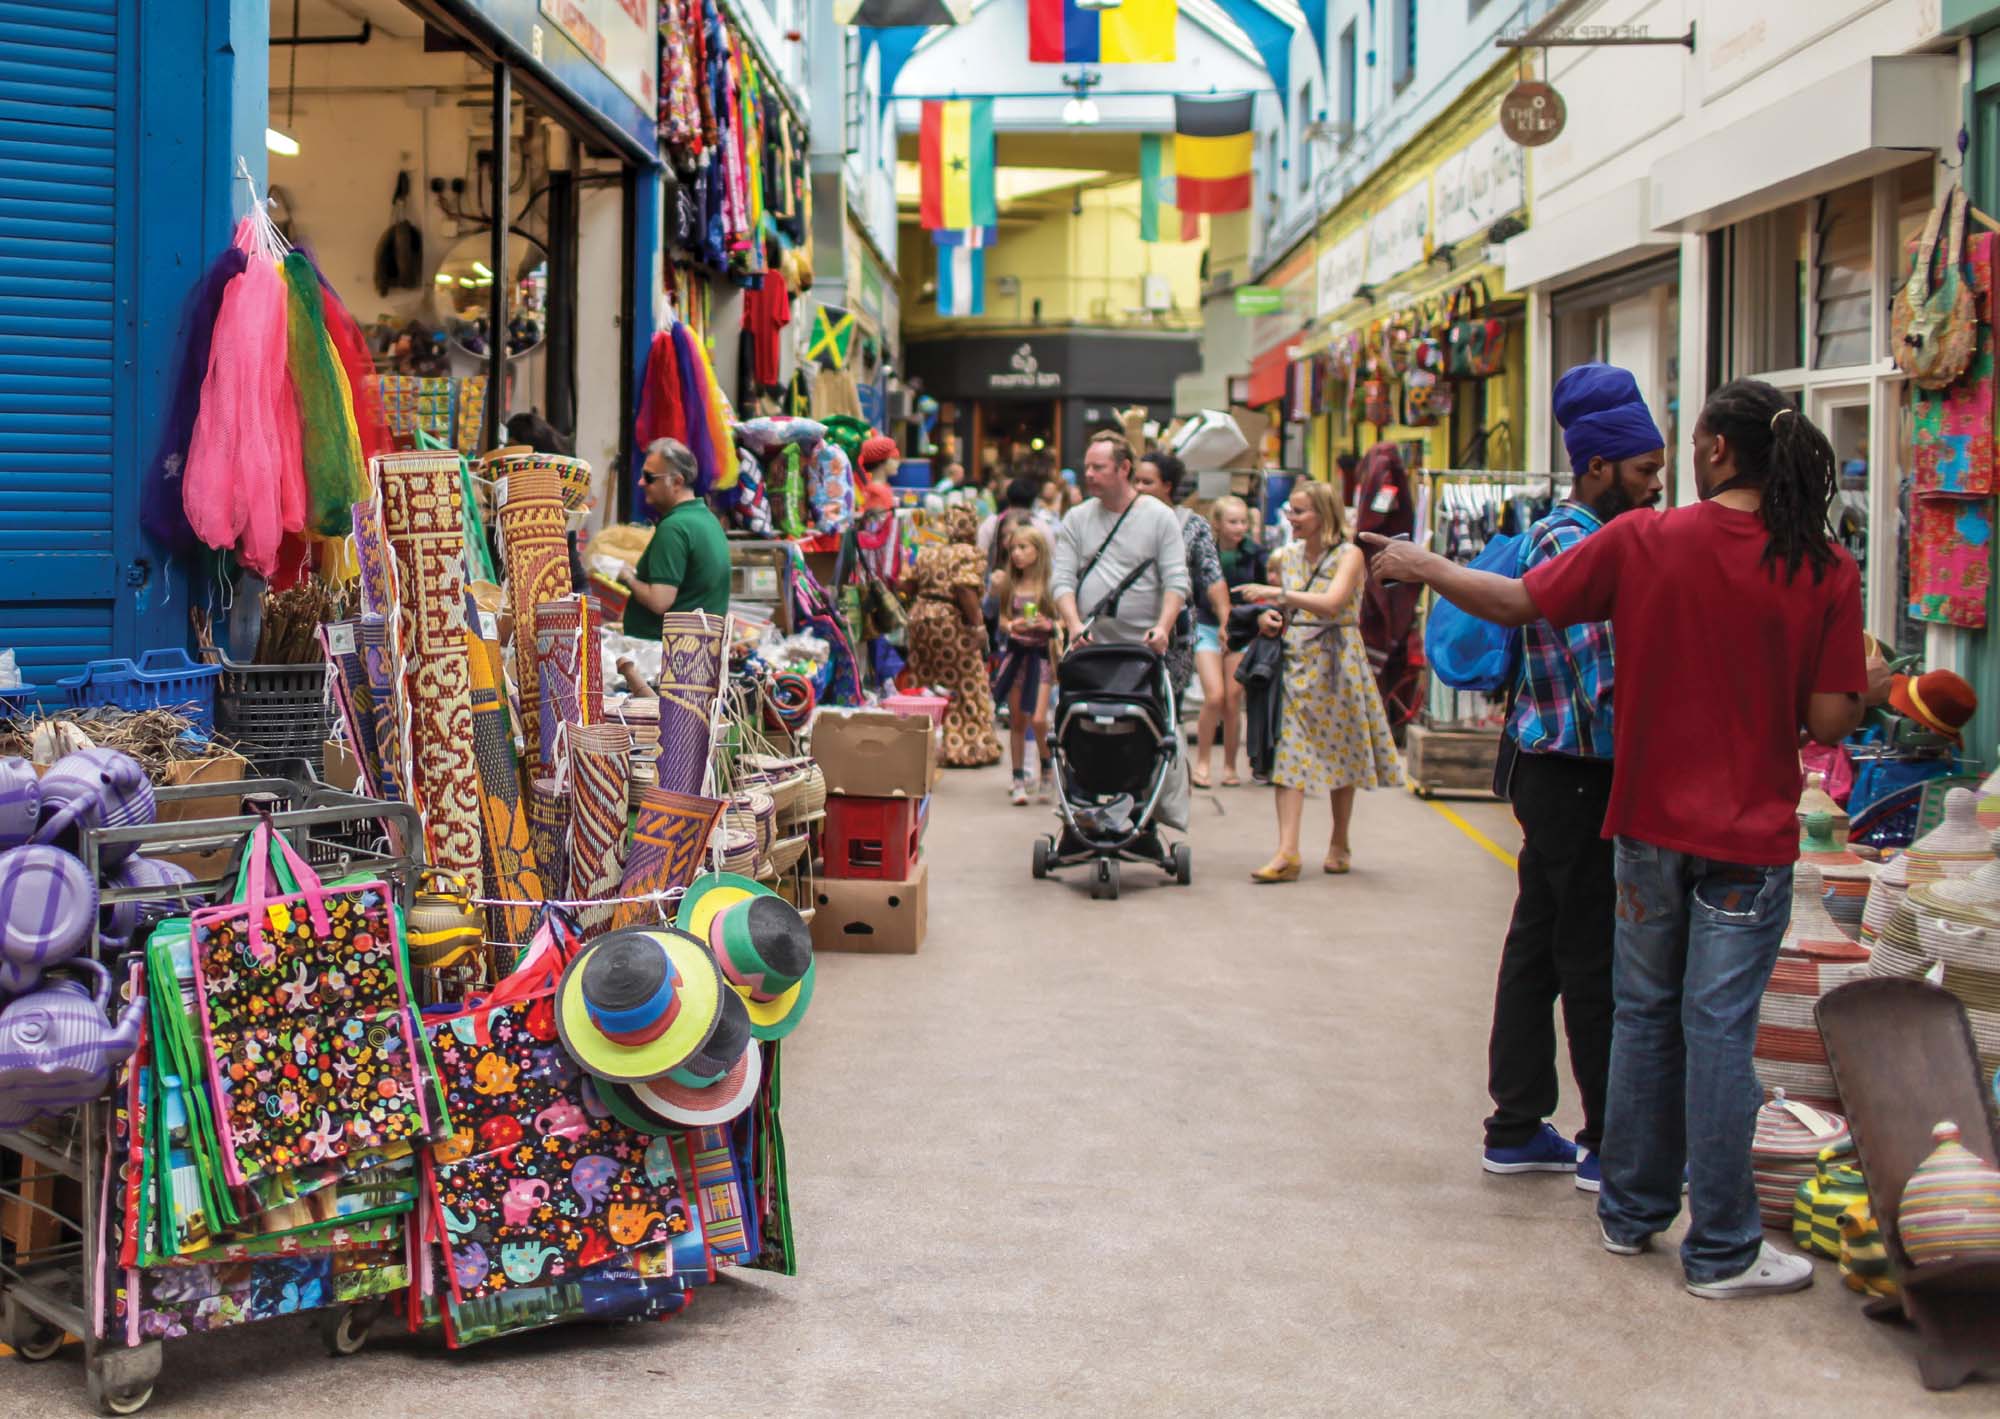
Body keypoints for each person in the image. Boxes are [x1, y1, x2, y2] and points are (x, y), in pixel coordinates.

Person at [1363, 379, 1893, 1300]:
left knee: (1643, 1014)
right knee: (1717, 1031)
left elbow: (1518, 601)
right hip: (1749, 839)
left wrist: (1424, 564)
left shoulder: (1646, 540)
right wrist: (1868, 689)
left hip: (1645, 824)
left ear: (1718, 451)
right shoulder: (1822, 565)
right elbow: (1827, 720)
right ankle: (1722, 1249)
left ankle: (1630, 1210)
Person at [1478, 365, 1665, 1195]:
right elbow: (1609, 680)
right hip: (1575, 775)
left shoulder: (1580, 534)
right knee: (1592, 956)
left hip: (1551, 771)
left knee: (1539, 946)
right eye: (1645, 470)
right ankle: (1608, 1141)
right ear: (1597, 466)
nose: (1656, 486)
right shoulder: (1576, 543)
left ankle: (1517, 1125)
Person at [1237, 478, 1402, 881]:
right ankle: (1287, 852)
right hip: (1296, 660)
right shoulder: (1287, 556)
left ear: (1323, 514)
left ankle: (1339, 841)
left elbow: (1332, 603)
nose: (1291, 518)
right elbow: (1293, 607)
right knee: (1288, 753)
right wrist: (1271, 617)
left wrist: (1277, 595)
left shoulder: (1350, 555)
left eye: (1299, 511)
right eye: (1290, 511)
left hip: (1338, 661)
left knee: (1341, 753)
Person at [1052, 432, 1192, 830]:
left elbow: (1176, 581)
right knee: (1080, 726)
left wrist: (1163, 628)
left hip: (1143, 652)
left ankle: (1142, 807)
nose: (1089, 475)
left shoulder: (1159, 517)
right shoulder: (1077, 518)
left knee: (1148, 730)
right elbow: (1061, 580)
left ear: (1124, 468)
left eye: (1098, 468)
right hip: (1091, 648)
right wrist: (1073, 625)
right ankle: (1081, 801)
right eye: (1087, 467)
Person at [1133, 451, 1229, 727]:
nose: (1139, 488)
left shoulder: (1192, 524)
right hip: (1129, 624)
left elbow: (1212, 575)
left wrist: (1225, 619)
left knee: (1166, 702)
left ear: (1168, 486)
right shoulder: (1122, 520)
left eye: (1147, 482)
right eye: (1136, 481)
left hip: (1175, 632)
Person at [902, 503, 1002, 768]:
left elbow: (908, 584)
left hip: (920, 617)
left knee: (926, 680)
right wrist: (978, 626)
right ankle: (965, 747)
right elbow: (964, 590)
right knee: (966, 681)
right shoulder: (968, 553)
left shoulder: (929, 552)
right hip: (950, 621)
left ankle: (921, 747)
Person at [623, 437, 730, 639]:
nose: (641, 482)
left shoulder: (674, 527)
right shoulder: (708, 520)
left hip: (667, 651)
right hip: (699, 648)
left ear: (677, 482)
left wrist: (627, 577)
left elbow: (659, 601)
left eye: (649, 477)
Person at [1194, 494, 1265, 788]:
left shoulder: (1254, 553)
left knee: (1234, 700)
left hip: (1242, 631)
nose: (1239, 528)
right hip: (1206, 626)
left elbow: (1265, 591)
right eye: (1233, 522)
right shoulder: (1203, 553)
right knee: (1214, 696)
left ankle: (1230, 765)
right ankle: (1202, 762)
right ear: (1217, 524)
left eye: (1243, 522)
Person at [1353, 445, 1420, 728]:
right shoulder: (1389, 469)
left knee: (1381, 636)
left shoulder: (1382, 467)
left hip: (1386, 566)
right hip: (1392, 567)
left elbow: (1375, 517)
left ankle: (1379, 721)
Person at [990, 523, 1057, 804]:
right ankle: (1018, 778)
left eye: (1023, 547)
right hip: (1016, 655)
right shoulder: (1009, 584)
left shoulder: (1050, 585)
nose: (1016, 554)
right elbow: (1002, 619)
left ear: (1037, 551)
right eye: (1013, 549)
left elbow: (1062, 621)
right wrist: (1011, 626)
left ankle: (1047, 768)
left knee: (1039, 719)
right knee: (1017, 720)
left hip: (1041, 658)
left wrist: (1048, 624)